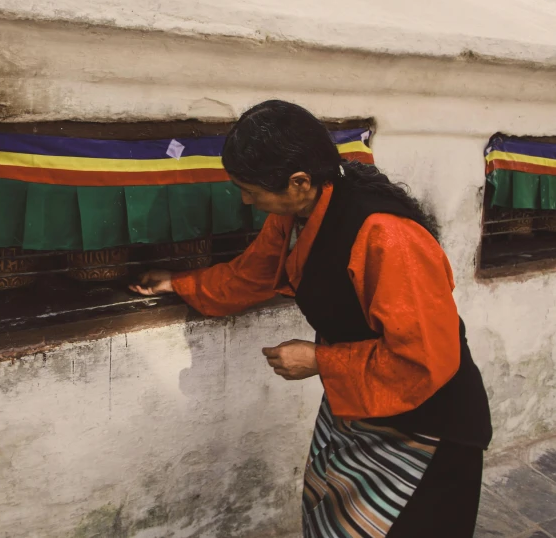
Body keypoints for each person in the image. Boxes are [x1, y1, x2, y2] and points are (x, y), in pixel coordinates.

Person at [130, 100, 492, 538]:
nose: (246, 200)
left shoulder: (388, 238)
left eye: (250, 190)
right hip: (361, 408)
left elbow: (424, 360)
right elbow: (251, 275)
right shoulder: (298, 213)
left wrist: (320, 361)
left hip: (429, 424)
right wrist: (180, 284)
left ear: (299, 181)